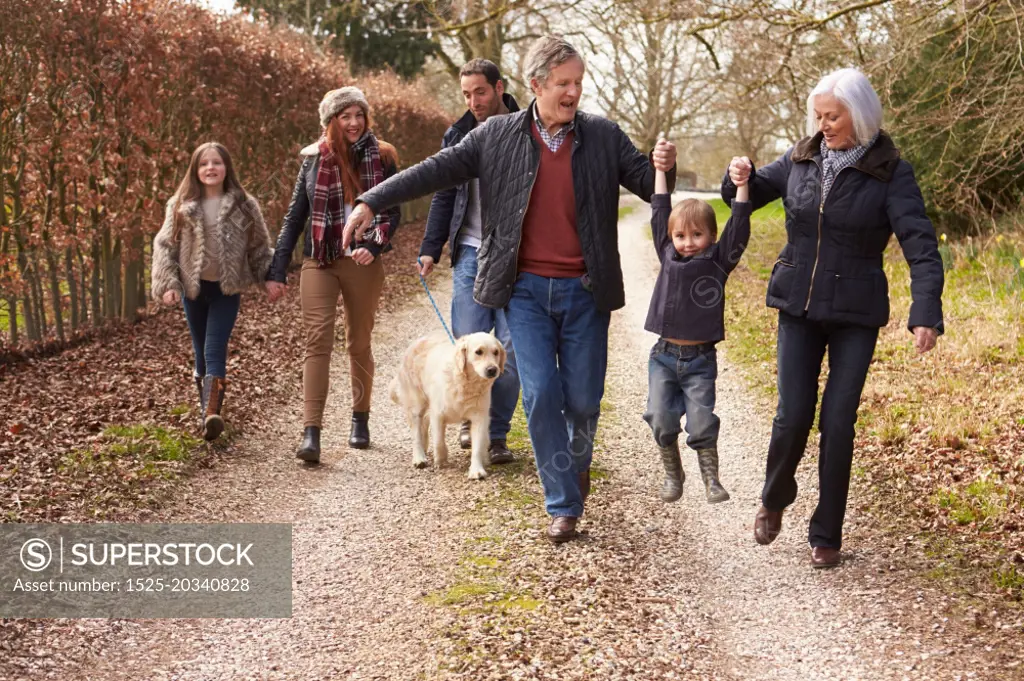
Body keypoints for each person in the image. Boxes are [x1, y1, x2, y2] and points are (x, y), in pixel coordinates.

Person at [344, 35, 677, 542]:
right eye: (563, 83)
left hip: (586, 291)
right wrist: (371, 200)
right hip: (523, 291)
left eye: (579, 83)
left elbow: (648, 183)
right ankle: (562, 502)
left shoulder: (604, 136)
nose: (573, 93)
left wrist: (663, 167)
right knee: (540, 393)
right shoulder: (495, 136)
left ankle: (574, 464)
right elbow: (433, 172)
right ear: (537, 84)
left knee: (584, 401)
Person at [721, 68, 944, 568]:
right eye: (818, 115)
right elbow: (751, 194)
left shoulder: (890, 171)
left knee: (838, 421)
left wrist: (925, 311)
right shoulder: (802, 156)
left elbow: (921, 247)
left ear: (859, 115)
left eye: (833, 116)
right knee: (793, 413)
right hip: (797, 305)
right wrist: (739, 177)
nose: (824, 124)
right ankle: (774, 499)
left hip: (855, 314)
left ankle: (827, 532)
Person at [265, 87, 401, 463]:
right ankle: (312, 433)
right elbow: (295, 216)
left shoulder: (383, 156)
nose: (354, 122)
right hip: (319, 260)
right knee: (317, 342)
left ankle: (360, 418)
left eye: (359, 114)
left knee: (359, 341)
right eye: (346, 116)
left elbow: (392, 212)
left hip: (362, 262)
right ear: (332, 121)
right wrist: (278, 269)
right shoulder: (312, 160)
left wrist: (373, 247)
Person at [416, 58, 521, 465]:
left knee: (509, 349)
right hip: (470, 253)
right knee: (469, 348)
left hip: (516, 256)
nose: (473, 101)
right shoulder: (457, 134)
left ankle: (494, 434)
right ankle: (467, 419)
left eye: (480, 91)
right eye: (466, 94)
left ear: (499, 88)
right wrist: (431, 246)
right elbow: (443, 192)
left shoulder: (526, 128)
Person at [644, 141, 751, 505]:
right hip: (663, 356)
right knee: (660, 418)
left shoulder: (719, 262)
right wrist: (660, 170)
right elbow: (660, 209)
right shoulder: (667, 253)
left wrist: (742, 185)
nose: (687, 243)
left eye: (697, 235)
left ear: (711, 237)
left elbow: (739, 225)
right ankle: (673, 475)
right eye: (680, 236)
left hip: (700, 362)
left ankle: (712, 480)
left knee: (702, 423)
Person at [152, 142, 273, 441]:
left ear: (226, 168)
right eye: (204, 164)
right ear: (195, 170)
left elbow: (259, 246)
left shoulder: (244, 204)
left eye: (216, 162)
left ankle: (211, 416)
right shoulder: (180, 205)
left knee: (214, 346)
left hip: (226, 290)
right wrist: (168, 283)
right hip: (193, 290)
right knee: (200, 351)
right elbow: (165, 245)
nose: (210, 168)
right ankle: (206, 409)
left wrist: (269, 277)